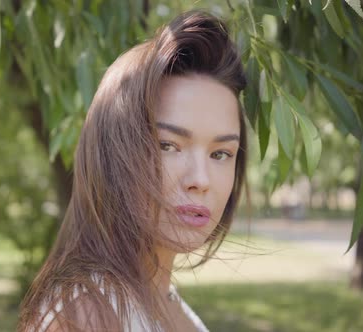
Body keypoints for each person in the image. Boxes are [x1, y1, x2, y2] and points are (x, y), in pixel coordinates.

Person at [17, 10, 248, 332]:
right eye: (168, 145)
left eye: (221, 153)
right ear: (114, 152)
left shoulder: (165, 300)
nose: (200, 180)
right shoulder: (85, 317)